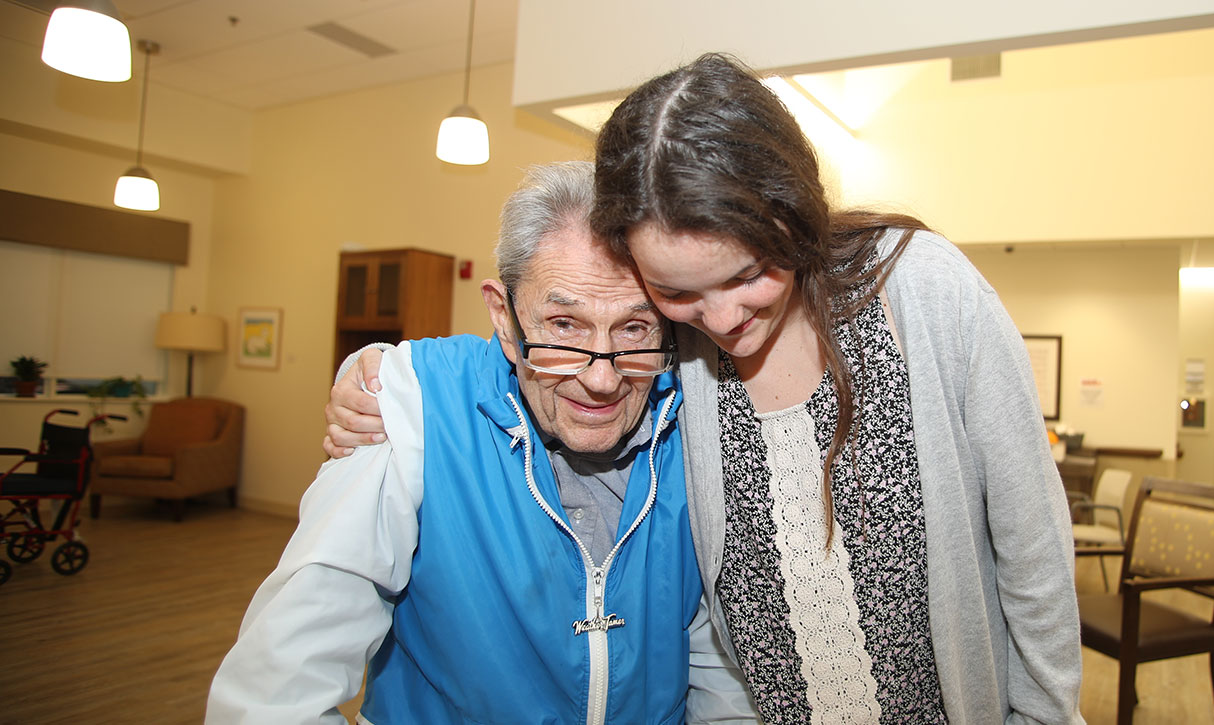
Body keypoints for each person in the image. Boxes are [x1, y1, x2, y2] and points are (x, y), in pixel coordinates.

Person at [329, 55, 1083, 724]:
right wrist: (381, 375)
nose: (722, 320)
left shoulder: (921, 290)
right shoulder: (672, 353)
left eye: (748, 273)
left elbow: (1033, 552)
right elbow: (541, 348)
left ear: (794, 211)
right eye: (676, 291)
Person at [209, 161, 754, 724]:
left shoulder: (700, 421)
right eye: (564, 326)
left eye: (634, 329)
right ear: (503, 314)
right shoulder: (416, 405)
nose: (601, 378)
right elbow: (278, 687)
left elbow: (714, 661)